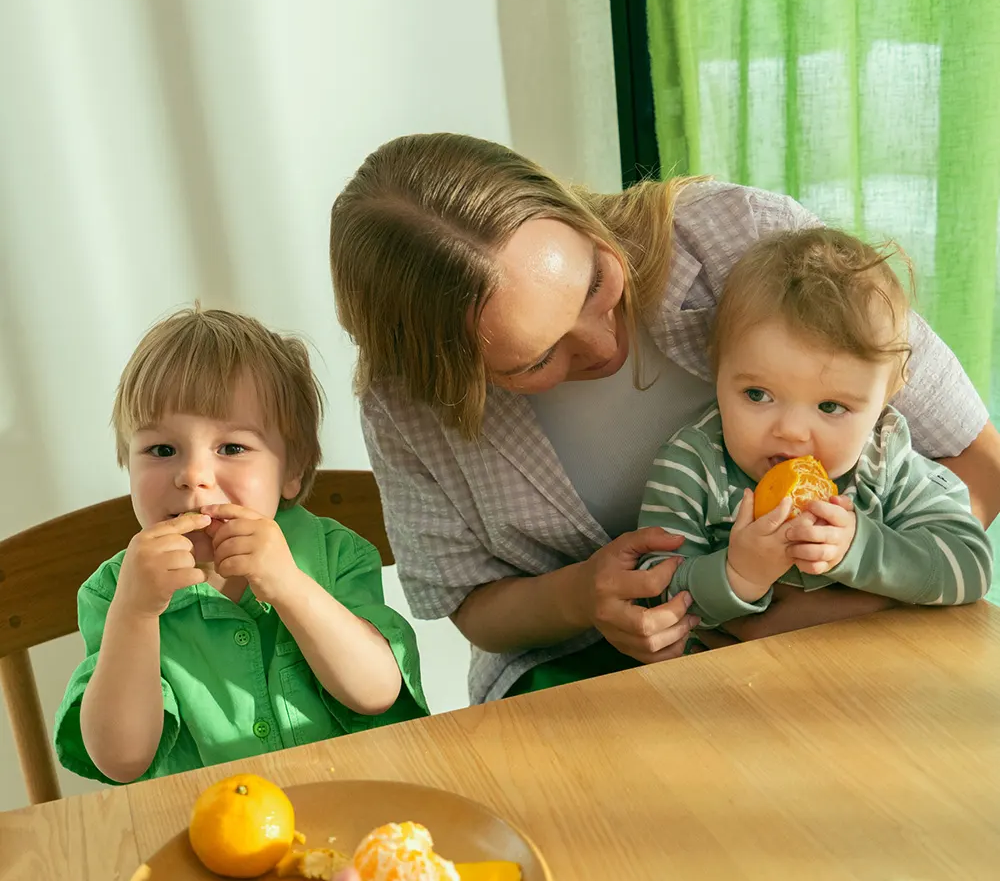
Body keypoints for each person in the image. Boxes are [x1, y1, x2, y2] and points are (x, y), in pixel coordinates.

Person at [328, 132, 1000, 705]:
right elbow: (475, 608)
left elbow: (979, 464)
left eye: (596, 284)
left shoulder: (738, 240)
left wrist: (826, 597)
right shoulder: (407, 406)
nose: (603, 343)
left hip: (859, 640)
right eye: (538, 359)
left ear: (579, 219)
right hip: (588, 677)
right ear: (449, 375)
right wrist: (584, 596)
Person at [54, 307, 427, 784]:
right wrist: (136, 613)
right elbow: (122, 760)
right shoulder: (114, 593)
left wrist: (290, 586)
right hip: (203, 835)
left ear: (292, 471)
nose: (192, 476)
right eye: (161, 450)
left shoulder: (336, 555)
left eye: (231, 448)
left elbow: (376, 692)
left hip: (350, 805)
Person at [636, 227, 992, 633]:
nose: (791, 432)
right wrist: (738, 574)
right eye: (757, 394)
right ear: (717, 370)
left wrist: (864, 547)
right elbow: (652, 592)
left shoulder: (885, 466)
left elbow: (970, 565)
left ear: (884, 402)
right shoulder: (693, 466)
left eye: (830, 406)